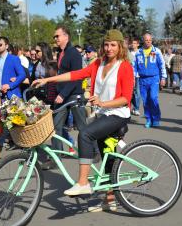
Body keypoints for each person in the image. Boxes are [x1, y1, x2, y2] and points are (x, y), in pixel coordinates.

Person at [32, 29, 133, 204]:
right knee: (107, 154)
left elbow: (126, 98)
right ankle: (111, 199)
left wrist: (102, 103)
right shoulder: (98, 63)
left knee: (85, 134)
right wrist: (48, 80)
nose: (109, 48)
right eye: (106, 45)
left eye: (113, 45)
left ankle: (83, 182)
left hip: (117, 113)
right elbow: (75, 75)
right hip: (102, 114)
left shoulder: (125, 66)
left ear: (120, 47)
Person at [41, 26, 87, 170]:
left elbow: (76, 78)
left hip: (74, 94)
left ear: (66, 36)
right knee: (56, 127)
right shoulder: (62, 53)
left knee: (83, 127)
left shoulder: (73, 53)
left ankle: (94, 152)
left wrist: (62, 94)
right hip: (64, 96)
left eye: (57, 36)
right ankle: (56, 158)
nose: (55, 39)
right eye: (54, 37)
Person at [134, 33, 166, 128]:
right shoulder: (138, 52)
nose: (148, 42)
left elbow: (162, 65)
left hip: (154, 78)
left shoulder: (156, 51)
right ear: (143, 40)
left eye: (150, 40)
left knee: (153, 98)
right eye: (146, 40)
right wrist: (134, 77)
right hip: (142, 79)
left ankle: (156, 118)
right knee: (145, 101)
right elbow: (134, 67)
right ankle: (148, 119)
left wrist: (163, 78)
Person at [129, 39, 141, 116]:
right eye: (132, 43)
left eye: (134, 43)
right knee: (130, 92)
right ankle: (130, 107)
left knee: (137, 92)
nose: (133, 44)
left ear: (138, 44)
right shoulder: (129, 53)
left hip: (138, 75)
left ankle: (136, 108)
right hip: (130, 75)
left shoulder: (140, 52)